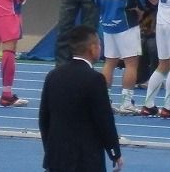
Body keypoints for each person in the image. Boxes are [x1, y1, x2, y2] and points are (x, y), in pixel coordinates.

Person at [39, 25, 123, 172]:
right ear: (93, 48)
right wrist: (114, 153)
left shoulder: (53, 76)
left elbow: (44, 119)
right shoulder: (95, 79)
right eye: (99, 44)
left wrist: (51, 150)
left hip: (56, 158)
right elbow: (104, 120)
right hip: (86, 160)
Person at [91, 0, 146, 115]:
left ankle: (104, 101)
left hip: (107, 19)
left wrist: (99, 3)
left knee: (110, 62)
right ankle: (126, 102)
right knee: (131, 63)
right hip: (126, 20)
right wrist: (140, 8)